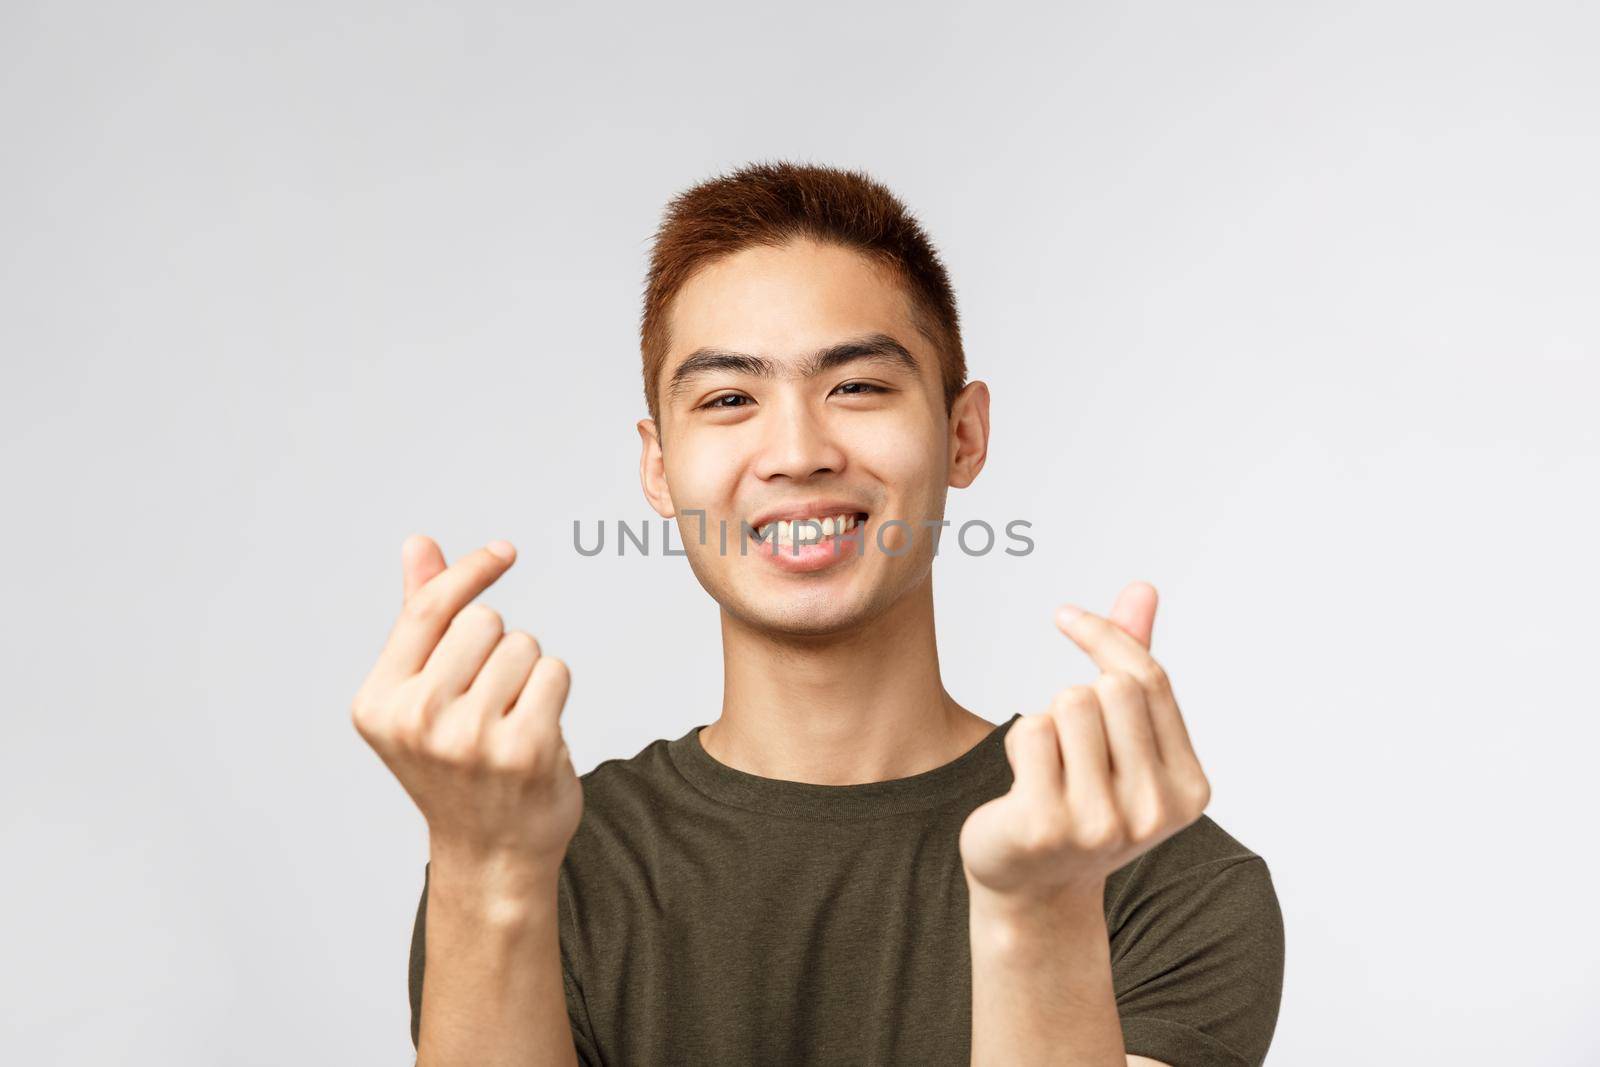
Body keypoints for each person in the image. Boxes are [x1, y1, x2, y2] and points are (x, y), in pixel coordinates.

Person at [351, 161, 1286, 1066]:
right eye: (728, 398)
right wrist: (487, 870)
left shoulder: (1158, 875)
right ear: (657, 464)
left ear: (963, 434)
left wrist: (1041, 914)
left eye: (858, 386)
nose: (796, 452)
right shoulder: (536, 858)